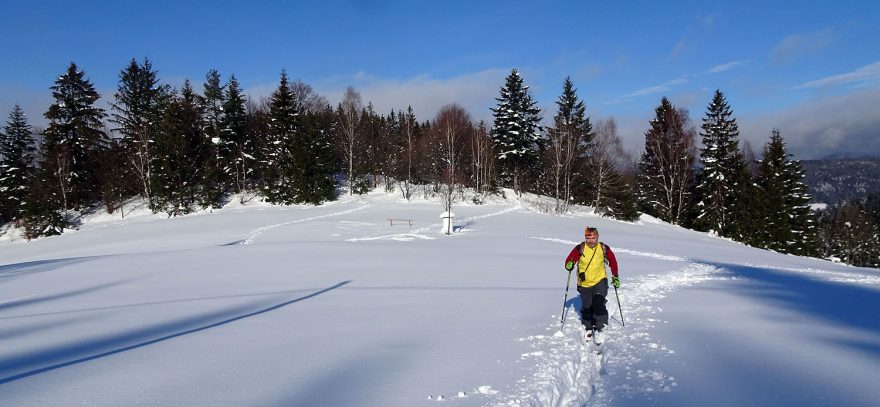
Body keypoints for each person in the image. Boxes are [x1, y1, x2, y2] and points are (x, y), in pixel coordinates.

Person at [564, 226, 620, 344]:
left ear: (597, 237)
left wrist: (615, 277)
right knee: (587, 306)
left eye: (593, 238)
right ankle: (587, 327)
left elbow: (613, 262)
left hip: (600, 280)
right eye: (588, 238)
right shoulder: (580, 248)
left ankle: (601, 328)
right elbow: (569, 261)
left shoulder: (603, 248)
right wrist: (569, 265)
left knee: (598, 303)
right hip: (584, 283)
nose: (591, 241)